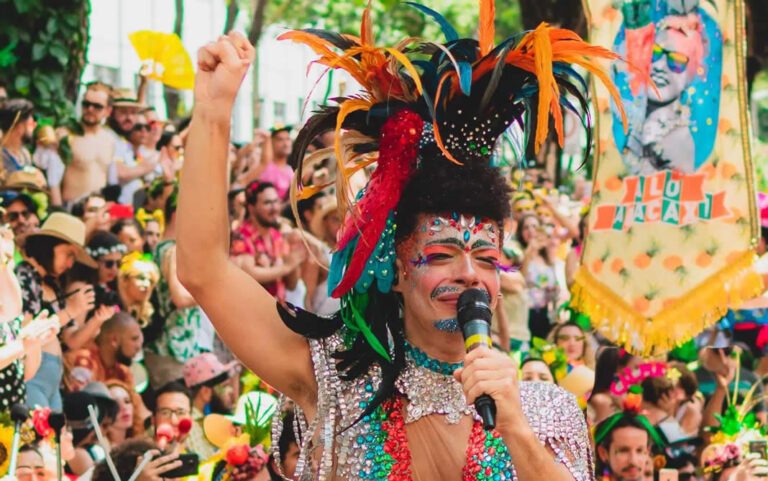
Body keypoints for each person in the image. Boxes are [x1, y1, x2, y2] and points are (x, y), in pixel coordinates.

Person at [177, 4, 621, 476]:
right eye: (442, 254)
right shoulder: (334, 382)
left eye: (487, 258)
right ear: (394, 270)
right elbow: (204, 272)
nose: (468, 274)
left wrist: (515, 427)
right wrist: (212, 113)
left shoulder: (546, 410)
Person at [16, 213, 97, 409]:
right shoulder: (24, 275)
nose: (70, 264)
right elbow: (28, 331)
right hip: (32, 376)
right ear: (49, 246)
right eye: (68, 254)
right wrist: (70, 310)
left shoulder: (53, 285)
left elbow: (71, 340)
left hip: (54, 382)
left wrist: (97, 319)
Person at [230, 181, 302, 303]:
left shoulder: (278, 236)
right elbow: (250, 273)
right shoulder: (241, 235)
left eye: (276, 201)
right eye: (267, 203)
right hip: (252, 309)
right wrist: (287, 267)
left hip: (279, 308)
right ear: (251, 208)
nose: (275, 208)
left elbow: (291, 285)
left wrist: (294, 260)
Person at [61, 82, 117, 205]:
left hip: (98, 207)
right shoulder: (67, 135)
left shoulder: (110, 140)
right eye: (86, 104)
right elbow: (53, 179)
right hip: (71, 206)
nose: (90, 109)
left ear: (108, 111)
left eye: (97, 106)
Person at [63, 311, 143, 391]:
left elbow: (134, 398)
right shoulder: (82, 359)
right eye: (134, 339)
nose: (139, 347)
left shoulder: (123, 372)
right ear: (114, 340)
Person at [182, 353, 238, 459]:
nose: (230, 391)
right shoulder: (191, 427)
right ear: (205, 392)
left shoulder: (207, 420)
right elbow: (206, 463)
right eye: (224, 387)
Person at [108, 88, 158, 206]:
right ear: (111, 113)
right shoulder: (109, 137)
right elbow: (120, 174)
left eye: (133, 113)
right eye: (123, 112)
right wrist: (144, 168)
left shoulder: (124, 141)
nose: (129, 118)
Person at [152, 381, 193, 454]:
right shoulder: (141, 456)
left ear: (191, 419)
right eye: (165, 413)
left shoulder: (198, 457)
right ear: (153, 419)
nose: (174, 421)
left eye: (180, 413)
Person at [106, 378, 147, 448]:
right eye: (116, 404)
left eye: (127, 401)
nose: (124, 407)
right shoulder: (99, 450)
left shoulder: (140, 443)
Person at [0, 98, 36, 176]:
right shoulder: (2, 159)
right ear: (20, 127)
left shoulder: (25, 155)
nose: (34, 126)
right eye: (30, 123)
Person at [32, 125, 65, 206]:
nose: (50, 148)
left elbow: (54, 184)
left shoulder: (53, 159)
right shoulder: (36, 157)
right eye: (46, 145)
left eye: (53, 145)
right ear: (38, 143)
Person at [257, 126, 293, 201]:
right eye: (280, 140)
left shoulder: (290, 170)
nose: (286, 144)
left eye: (288, 139)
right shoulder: (264, 168)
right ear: (270, 143)